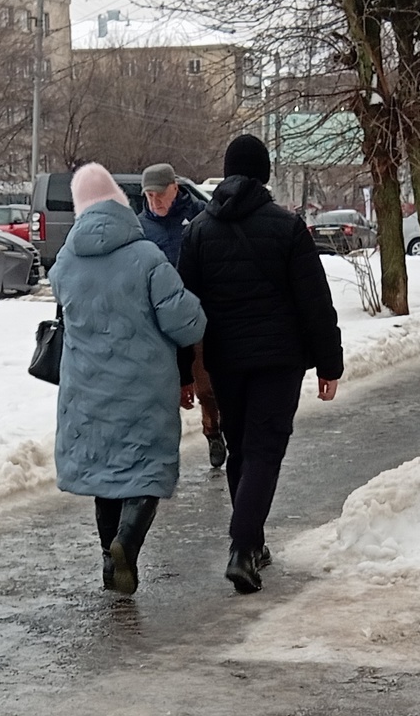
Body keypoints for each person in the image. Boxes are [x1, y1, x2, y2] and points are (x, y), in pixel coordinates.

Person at [177, 133, 344, 595]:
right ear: (265, 173)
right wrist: (330, 363)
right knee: (265, 450)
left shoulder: (198, 232)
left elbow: (182, 310)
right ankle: (242, 547)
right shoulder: (287, 228)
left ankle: (252, 543)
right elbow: (315, 302)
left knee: (242, 448)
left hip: (224, 359)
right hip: (278, 360)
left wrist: (182, 373)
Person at [50, 161, 208, 596]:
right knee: (145, 473)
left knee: (107, 479)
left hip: (87, 390)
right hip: (143, 390)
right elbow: (187, 324)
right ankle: (126, 544)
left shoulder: (67, 258)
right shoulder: (146, 257)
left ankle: (110, 563)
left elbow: (60, 294)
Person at [136, 161, 225, 473]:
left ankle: (213, 431)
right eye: (148, 196)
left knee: (205, 385)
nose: (155, 202)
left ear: (175, 187)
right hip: (158, 323)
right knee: (161, 391)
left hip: (196, 316)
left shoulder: (202, 215)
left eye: (160, 194)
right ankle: (159, 454)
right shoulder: (139, 227)